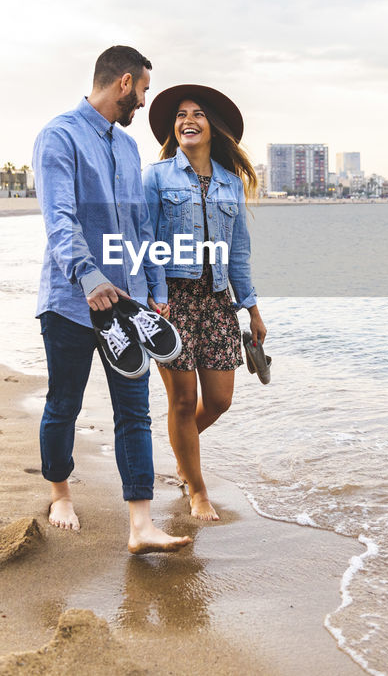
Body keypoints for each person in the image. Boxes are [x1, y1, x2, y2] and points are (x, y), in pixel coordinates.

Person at [32, 45, 191, 555]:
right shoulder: (59, 136)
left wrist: (156, 293)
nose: (144, 103)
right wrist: (89, 276)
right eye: (143, 90)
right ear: (124, 83)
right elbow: (60, 219)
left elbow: (141, 228)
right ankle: (60, 494)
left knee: (134, 412)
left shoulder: (127, 148)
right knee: (64, 404)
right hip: (72, 304)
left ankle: (140, 525)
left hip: (130, 309)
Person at [143, 84, 265, 521]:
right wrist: (156, 299)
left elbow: (239, 252)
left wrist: (251, 309)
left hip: (217, 302)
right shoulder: (155, 177)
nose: (187, 121)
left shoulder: (231, 183)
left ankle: (181, 448)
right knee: (181, 401)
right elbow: (148, 240)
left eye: (197, 114)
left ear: (213, 126)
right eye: (180, 115)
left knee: (219, 399)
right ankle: (197, 489)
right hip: (171, 300)